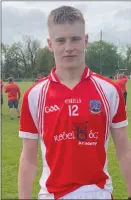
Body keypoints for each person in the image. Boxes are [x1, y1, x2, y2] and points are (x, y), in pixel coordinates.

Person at [18, 6, 131, 200]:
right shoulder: (34, 95)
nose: (68, 47)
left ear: (85, 40)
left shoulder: (110, 91)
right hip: (52, 195)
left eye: (75, 39)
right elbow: (28, 158)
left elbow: (123, 148)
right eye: (61, 40)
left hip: (99, 193)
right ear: (50, 44)